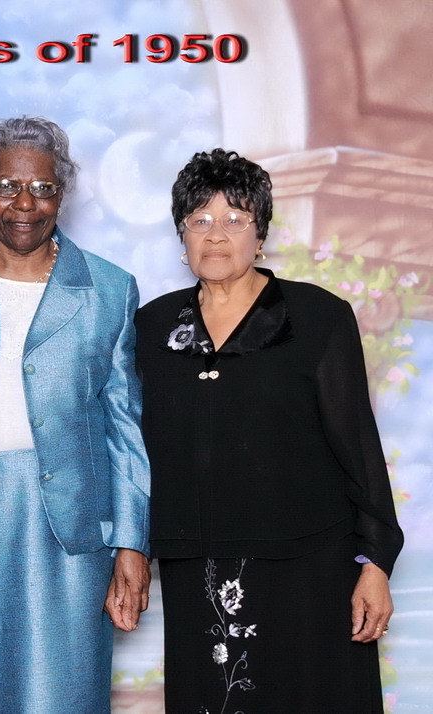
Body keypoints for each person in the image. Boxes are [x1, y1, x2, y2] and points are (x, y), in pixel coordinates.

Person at [136, 148, 404, 713]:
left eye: (235, 219)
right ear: (181, 233)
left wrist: (375, 563)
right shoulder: (153, 326)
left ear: (260, 234)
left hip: (311, 569)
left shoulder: (318, 317)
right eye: (200, 219)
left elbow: (357, 446)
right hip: (199, 569)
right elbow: (135, 449)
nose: (216, 235)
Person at [0, 117, 151, 713]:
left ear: (62, 194)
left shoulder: (109, 288)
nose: (25, 204)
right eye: (7, 186)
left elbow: (124, 427)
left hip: (73, 534)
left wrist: (131, 543)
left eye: (44, 188)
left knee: (64, 695)